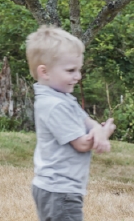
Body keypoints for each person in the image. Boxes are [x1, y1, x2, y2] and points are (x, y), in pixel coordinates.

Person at [26, 25, 116, 221]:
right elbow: (81, 144)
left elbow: (88, 121)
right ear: (44, 72)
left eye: (79, 69)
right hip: (60, 191)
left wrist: (97, 130)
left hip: (58, 189)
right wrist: (104, 133)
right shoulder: (55, 105)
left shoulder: (63, 98)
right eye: (71, 70)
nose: (78, 76)